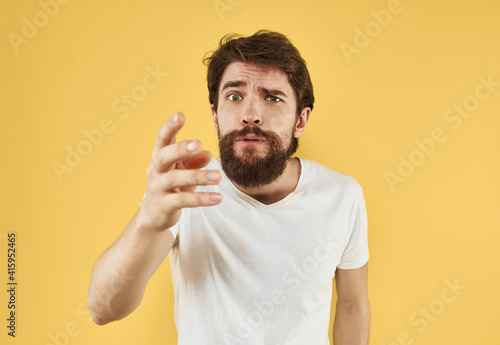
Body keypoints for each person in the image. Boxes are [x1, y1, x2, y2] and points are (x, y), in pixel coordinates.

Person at [88, 30, 370, 345]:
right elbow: (103, 309)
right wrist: (148, 221)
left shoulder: (342, 196)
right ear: (215, 116)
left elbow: (352, 304)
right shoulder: (184, 188)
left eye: (272, 97)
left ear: (300, 120)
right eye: (235, 97)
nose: (251, 115)